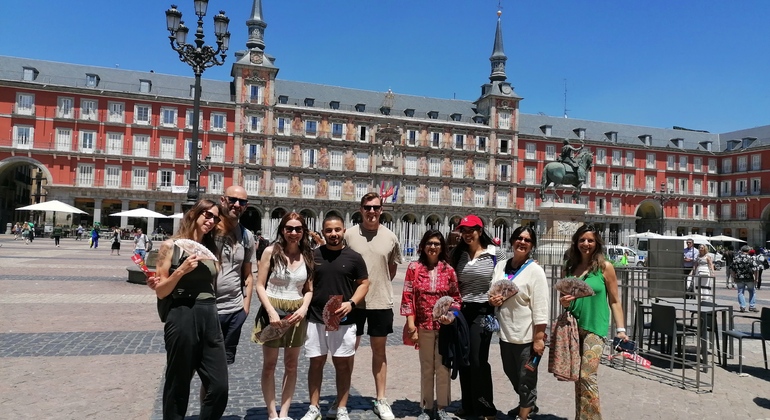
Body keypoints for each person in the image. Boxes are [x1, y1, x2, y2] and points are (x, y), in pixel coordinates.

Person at [150, 199, 228, 419]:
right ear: (194, 214)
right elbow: (161, 291)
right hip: (182, 313)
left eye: (215, 218)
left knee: (219, 387)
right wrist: (181, 271)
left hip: (209, 315)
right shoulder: (170, 246)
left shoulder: (211, 249)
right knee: (178, 383)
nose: (211, 221)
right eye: (207, 215)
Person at [300, 215, 369, 420]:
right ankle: (314, 407)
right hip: (316, 318)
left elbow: (364, 283)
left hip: (343, 319)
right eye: (329, 230)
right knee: (316, 363)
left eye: (337, 230)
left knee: (342, 365)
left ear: (344, 230)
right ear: (323, 232)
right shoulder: (313, 256)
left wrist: (351, 303)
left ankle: (341, 407)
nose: (333, 234)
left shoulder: (354, 257)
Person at [343, 192, 403, 420]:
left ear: (381, 210)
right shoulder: (349, 235)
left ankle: (381, 399)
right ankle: (342, 399)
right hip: (353, 303)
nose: (371, 211)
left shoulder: (390, 237)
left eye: (375, 208)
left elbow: (391, 268)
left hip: (380, 301)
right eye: (367, 207)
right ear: (360, 209)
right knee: (347, 350)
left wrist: (379, 284)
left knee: (379, 351)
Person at [559, 224, 628, 419]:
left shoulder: (605, 267)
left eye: (590, 240)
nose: (586, 244)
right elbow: (564, 298)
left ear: (597, 243)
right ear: (576, 242)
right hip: (573, 327)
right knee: (578, 379)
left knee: (587, 376)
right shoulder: (569, 267)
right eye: (582, 240)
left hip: (595, 328)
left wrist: (621, 329)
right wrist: (564, 302)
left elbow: (614, 301)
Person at [253, 212, 314, 420]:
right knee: (269, 364)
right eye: (289, 228)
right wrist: (270, 311)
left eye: (298, 229)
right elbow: (260, 285)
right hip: (273, 309)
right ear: (282, 230)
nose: (293, 233)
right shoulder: (271, 251)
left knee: (291, 364)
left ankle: (284, 413)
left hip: (296, 312)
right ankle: (272, 414)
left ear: (303, 231)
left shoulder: (307, 255)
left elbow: (309, 289)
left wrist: (304, 308)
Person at [489, 226, 548, 420]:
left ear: (532, 245)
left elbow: (541, 307)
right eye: (519, 238)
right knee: (510, 372)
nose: (522, 242)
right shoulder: (500, 266)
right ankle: (528, 404)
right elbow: (492, 292)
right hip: (506, 333)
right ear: (512, 241)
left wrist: (539, 338)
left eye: (527, 240)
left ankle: (523, 415)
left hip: (526, 336)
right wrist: (493, 300)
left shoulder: (535, 271)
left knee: (526, 377)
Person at [400, 230, 460, 420]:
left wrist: (451, 316)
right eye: (429, 243)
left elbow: (456, 299)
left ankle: (442, 406)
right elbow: (407, 297)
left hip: (444, 328)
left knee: (443, 367)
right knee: (426, 367)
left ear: (442, 247)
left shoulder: (448, 270)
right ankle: (426, 406)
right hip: (423, 326)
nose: (433, 247)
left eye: (436, 243)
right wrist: (411, 326)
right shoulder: (414, 268)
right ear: (423, 246)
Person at [450, 214, 505, 419]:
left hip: (484, 310)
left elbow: (507, 277)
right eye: (463, 230)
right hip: (461, 311)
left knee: (478, 359)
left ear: (480, 231)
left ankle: (486, 407)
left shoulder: (495, 254)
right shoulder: (457, 254)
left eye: (471, 230)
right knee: (463, 359)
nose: (467, 234)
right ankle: (468, 405)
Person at [214, 186, 256, 365]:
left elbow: (248, 275)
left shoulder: (247, 236)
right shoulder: (208, 230)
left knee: (222, 367)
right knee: (195, 363)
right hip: (207, 310)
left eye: (242, 202)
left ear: (246, 206)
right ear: (223, 200)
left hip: (234, 312)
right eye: (232, 199)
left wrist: (245, 309)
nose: (237, 204)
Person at [732, 245, 759, 312]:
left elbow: (733, 269)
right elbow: (756, 269)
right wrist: (756, 278)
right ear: (749, 251)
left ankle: (742, 306)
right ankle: (752, 306)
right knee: (752, 291)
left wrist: (734, 277)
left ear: (741, 250)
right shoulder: (751, 258)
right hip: (749, 277)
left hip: (739, 278)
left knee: (740, 292)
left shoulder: (736, 258)